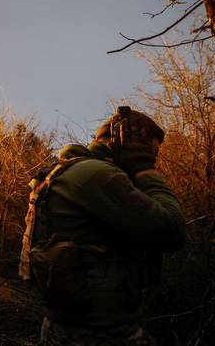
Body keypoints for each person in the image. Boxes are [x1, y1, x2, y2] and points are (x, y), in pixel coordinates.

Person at [22, 106, 186, 346]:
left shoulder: (69, 171)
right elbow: (172, 230)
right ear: (125, 142)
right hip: (100, 333)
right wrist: (144, 169)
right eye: (151, 151)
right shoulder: (96, 175)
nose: (155, 159)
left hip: (65, 326)